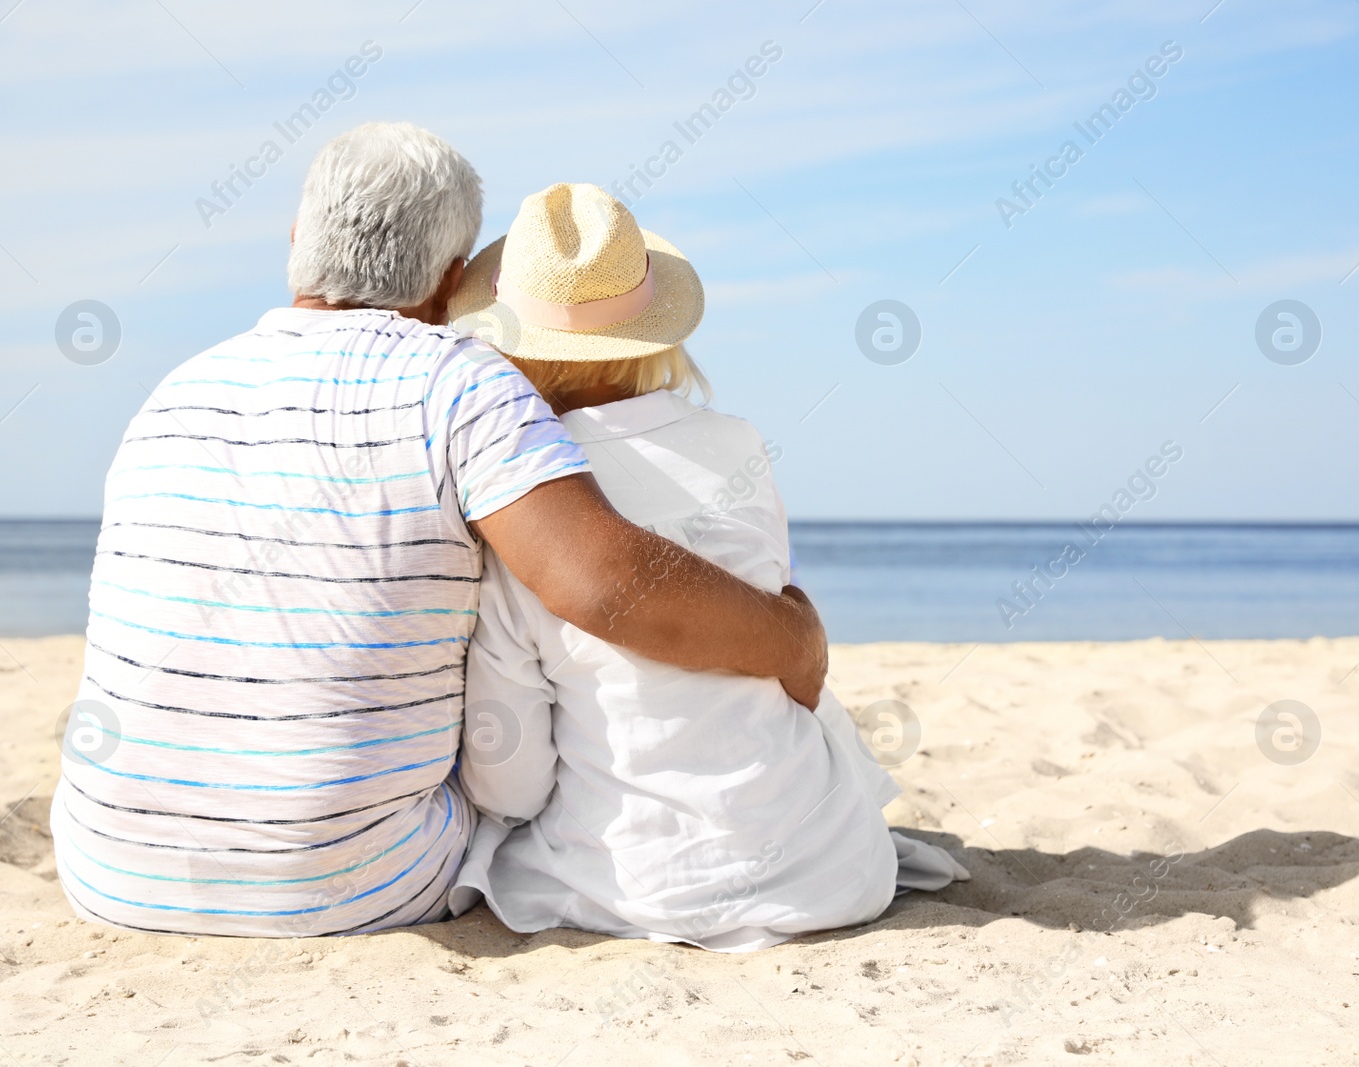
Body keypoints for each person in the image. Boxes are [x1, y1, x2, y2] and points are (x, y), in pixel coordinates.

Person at [49, 124, 829, 938]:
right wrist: (791, 640)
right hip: (350, 884)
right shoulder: (455, 384)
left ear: (295, 244)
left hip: (108, 867)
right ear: (453, 279)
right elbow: (603, 582)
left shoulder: (175, 392)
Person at [447, 183, 966, 952]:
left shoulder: (531, 501)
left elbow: (510, 778)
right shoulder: (738, 445)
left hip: (648, 885)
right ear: (655, 330)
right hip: (830, 871)